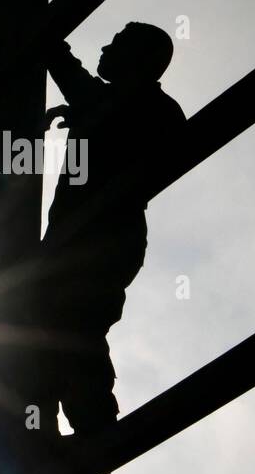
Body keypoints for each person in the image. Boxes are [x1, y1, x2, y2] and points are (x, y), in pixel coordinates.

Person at [31, 22, 186, 436]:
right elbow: (78, 86)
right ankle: (52, 430)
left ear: (136, 58)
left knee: (70, 325)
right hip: (81, 240)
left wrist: (43, 38)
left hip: (99, 241)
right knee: (46, 327)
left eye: (116, 43)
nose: (104, 46)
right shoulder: (124, 104)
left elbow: (72, 78)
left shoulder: (145, 107)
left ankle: (94, 428)